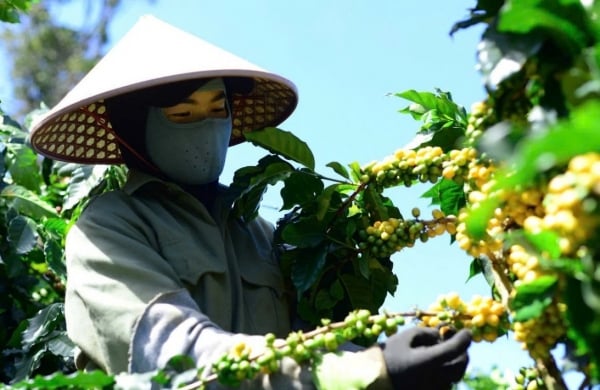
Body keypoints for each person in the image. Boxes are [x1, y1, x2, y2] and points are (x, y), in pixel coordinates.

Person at [30, 15, 472, 389]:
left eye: (217, 109)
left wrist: (387, 358)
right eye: (182, 114)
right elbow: (170, 352)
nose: (204, 128)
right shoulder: (108, 228)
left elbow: (305, 344)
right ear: (133, 129)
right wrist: (365, 372)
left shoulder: (255, 230)